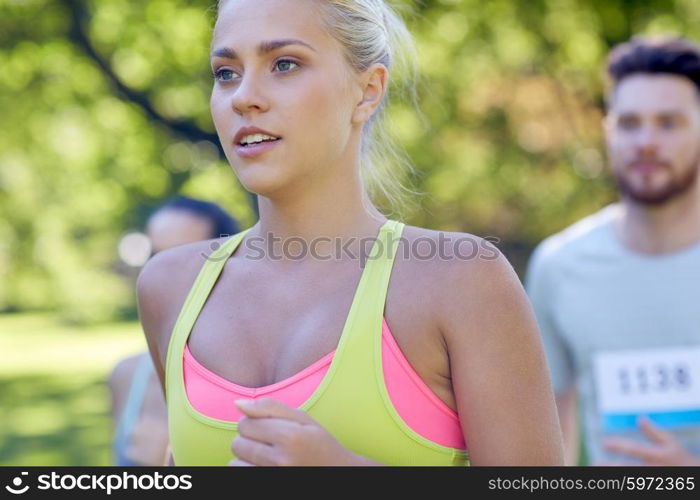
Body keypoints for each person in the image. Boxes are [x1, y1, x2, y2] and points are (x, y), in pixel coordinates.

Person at [136, 0, 563, 466]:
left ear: (367, 91)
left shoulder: (461, 280)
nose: (243, 96)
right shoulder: (169, 288)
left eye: (284, 64)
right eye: (226, 72)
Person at [526, 36, 700, 466]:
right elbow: (546, 437)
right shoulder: (559, 266)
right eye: (629, 123)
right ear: (607, 132)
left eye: (669, 122)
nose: (646, 141)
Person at [109, 195, 239, 466]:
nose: (162, 274)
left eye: (184, 256)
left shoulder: (253, 381)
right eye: (155, 257)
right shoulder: (127, 375)